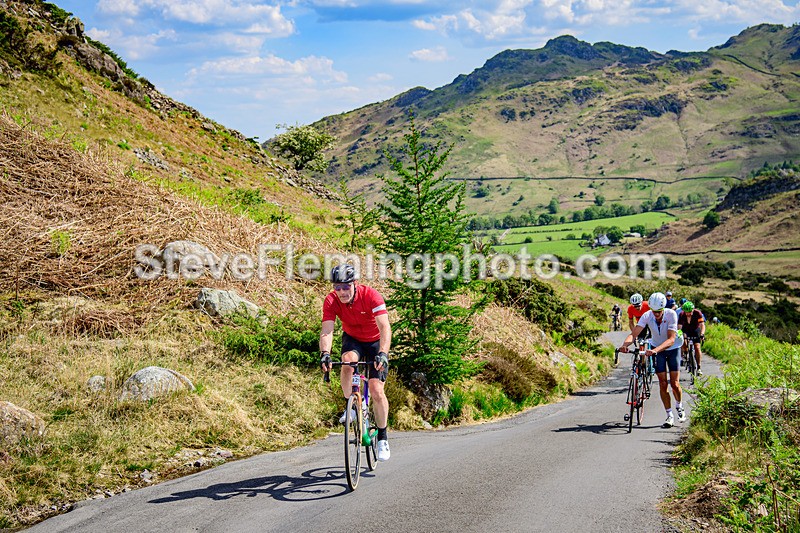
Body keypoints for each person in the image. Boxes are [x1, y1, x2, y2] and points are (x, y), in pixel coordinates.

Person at [319, 264, 392, 461]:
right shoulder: (332, 300)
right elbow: (327, 330)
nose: (341, 292)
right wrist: (325, 353)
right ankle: (352, 406)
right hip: (353, 340)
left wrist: (383, 354)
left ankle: (383, 437)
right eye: (337, 287)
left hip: (375, 342)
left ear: (355, 284)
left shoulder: (371, 296)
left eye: (346, 287)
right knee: (347, 361)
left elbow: (385, 328)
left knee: (377, 390)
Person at [620, 292, 684, 428]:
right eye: (654, 311)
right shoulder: (647, 316)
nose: (656, 314)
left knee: (674, 384)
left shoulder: (671, 314)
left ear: (663, 309)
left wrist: (655, 350)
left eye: (659, 311)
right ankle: (669, 415)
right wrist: (625, 345)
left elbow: (671, 339)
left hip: (673, 348)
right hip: (657, 349)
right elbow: (634, 334)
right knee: (662, 383)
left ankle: (679, 406)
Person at [678, 301, 706, 376]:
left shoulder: (698, 313)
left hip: (695, 330)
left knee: (697, 347)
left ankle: (699, 367)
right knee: (683, 341)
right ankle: (685, 353)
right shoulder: (681, 315)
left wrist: (702, 334)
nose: (688, 314)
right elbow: (679, 327)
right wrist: (680, 335)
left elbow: (702, 325)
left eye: (690, 312)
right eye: (686, 312)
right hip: (686, 330)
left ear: (693, 310)